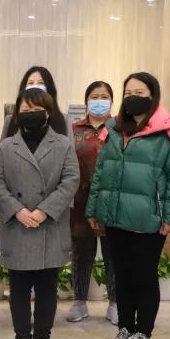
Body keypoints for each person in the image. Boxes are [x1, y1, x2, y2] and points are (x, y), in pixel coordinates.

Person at [86, 72, 170, 339]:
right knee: (122, 275)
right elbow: (100, 173)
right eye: (128, 92)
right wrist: (94, 209)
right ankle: (125, 328)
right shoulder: (113, 128)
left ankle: (143, 333)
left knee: (144, 276)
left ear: (153, 95)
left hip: (149, 217)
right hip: (115, 215)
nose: (133, 97)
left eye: (140, 92)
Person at [0, 89, 80, 339]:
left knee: (46, 289)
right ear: (17, 113)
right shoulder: (7, 146)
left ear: (49, 112)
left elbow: (71, 180)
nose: (30, 114)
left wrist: (44, 210)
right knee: (18, 289)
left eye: (36, 109)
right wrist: (18, 210)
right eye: (25, 109)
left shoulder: (63, 144)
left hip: (49, 227)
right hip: (18, 226)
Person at [68, 81, 119, 325]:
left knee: (113, 254)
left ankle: (115, 303)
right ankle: (79, 302)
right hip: (80, 202)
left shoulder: (119, 129)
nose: (99, 101)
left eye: (104, 96)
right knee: (81, 253)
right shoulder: (74, 130)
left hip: (112, 202)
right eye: (95, 96)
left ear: (112, 101)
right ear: (86, 101)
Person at [2, 66, 68, 139]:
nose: (35, 86)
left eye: (40, 83)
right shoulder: (11, 120)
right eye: (30, 83)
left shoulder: (62, 120)